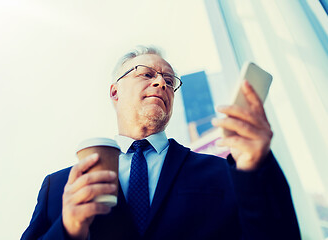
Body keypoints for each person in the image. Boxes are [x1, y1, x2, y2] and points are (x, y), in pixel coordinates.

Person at [21, 46, 301, 240]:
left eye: (169, 80)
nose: (161, 84)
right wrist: (67, 230)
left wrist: (256, 171)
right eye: (146, 74)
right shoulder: (58, 188)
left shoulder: (222, 172)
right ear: (114, 91)